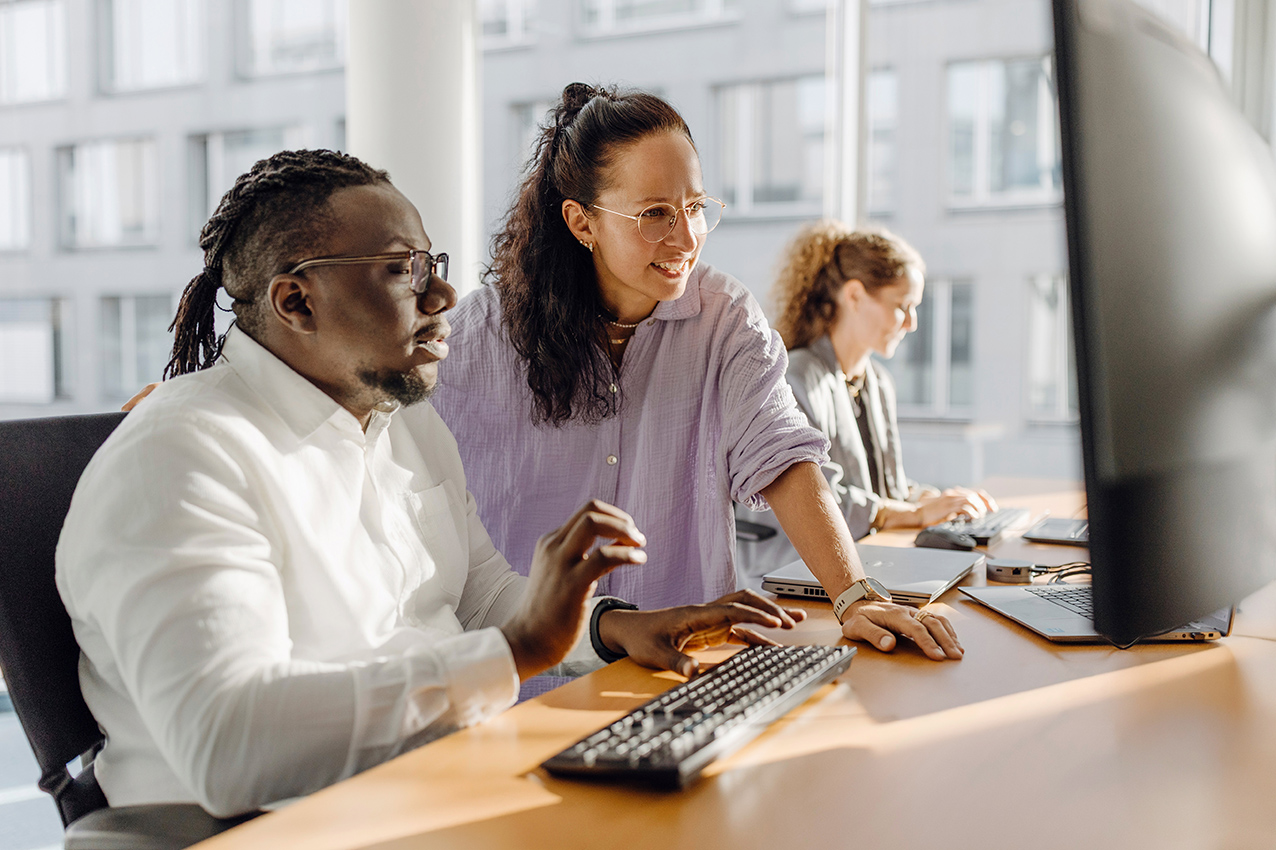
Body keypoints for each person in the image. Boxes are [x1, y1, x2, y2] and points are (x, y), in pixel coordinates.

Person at [55, 150, 805, 818]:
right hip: (276, 825)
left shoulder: (399, 419)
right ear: (295, 301)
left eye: (432, 263)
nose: (442, 297)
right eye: (401, 270)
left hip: (437, 787)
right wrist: (511, 651)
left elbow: (477, 594)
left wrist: (610, 627)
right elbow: (228, 746)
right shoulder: (181, 457)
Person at [430, 83, 963, 662]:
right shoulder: (471, 343)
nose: (686, 238)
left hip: (684, 669)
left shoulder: (724, 319)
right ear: (582, 223)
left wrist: (854, 598)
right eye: (655, 214)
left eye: (695, 208)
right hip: (524, 686)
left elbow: (783, 457)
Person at [738, 223, 997, 574]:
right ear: (855, 295)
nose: (912, 323)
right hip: (796, 570)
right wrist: (918, 514)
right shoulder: (794, 378)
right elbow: (818, 498)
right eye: (903, 305)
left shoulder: (875, 381)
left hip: (864, 556)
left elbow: (883, 488)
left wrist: (932, 500)